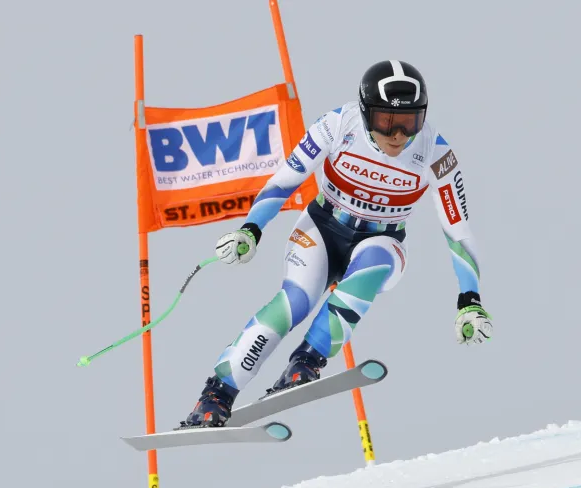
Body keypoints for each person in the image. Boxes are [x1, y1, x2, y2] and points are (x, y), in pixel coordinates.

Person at [179, 60, 493, 428]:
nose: (397, 135)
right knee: (295, 302)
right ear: (364, 113)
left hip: (382, 239)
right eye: (385, 121)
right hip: (322, 228)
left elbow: (458, 231)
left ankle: (306, 362)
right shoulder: (337, 124)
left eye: (409, 122)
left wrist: (470, 300)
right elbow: (284, 181)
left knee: (372, 264)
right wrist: (251, 230)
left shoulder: (437, 154)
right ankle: (216, 395)